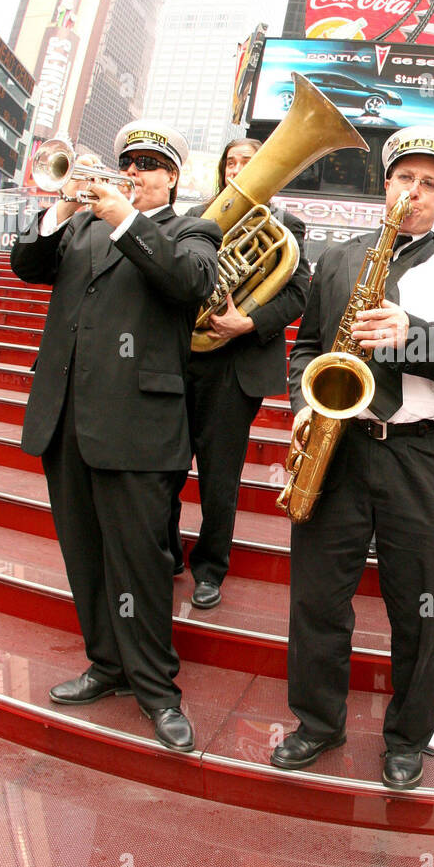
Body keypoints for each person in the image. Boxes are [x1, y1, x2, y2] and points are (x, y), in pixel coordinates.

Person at [270, 124, 434, 791]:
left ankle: (407, 736)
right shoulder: (342, 260)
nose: (415, 193)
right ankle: (317, 723)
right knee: (318, 598)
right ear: (387, 185)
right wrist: (302, 404)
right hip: (342, 446)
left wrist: (416, 335)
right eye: (405, 179)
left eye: (430, 185)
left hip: (424, 457)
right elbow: (307, 347)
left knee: (421, 608)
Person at [11, 120, 221, 752]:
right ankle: (106, 664)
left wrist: (129, 218)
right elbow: (26, 267)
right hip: (65, 417)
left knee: (139, 564)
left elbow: (189, 283)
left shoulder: (193, 230)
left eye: (150, 164)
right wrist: (60, 207)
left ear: (173, 178)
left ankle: (158, 689)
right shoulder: (80, 224)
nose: (134, 171)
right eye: (128, 161)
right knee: (85, 554)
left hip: (137, 425)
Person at [169, 137, 310, 609]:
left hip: (236, 366)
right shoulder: (193, 216)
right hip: (180, 358)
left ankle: (210, 569)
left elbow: (298, 294)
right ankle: (166, 551)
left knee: (219, 476)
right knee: (165, 464)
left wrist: (246, 322)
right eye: (231, 162)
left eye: (249, 162)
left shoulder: (286, 226)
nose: (239, 168)